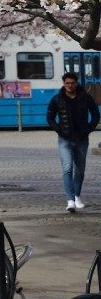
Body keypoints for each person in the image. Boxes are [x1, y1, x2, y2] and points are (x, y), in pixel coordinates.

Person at [46, 71, 99, 212]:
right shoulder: (57, 99)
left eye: (72, 83)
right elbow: (50, 117)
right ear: (64, 84)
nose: (70, 85)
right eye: (67, 83)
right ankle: (70, 200)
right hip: (65, 139)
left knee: (80, 171)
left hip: (82, 139)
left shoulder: (86, 98)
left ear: (76, 83)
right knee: (67, 168)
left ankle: (77, 196)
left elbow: (96, 115)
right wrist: (59, 130)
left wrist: (88, 130)